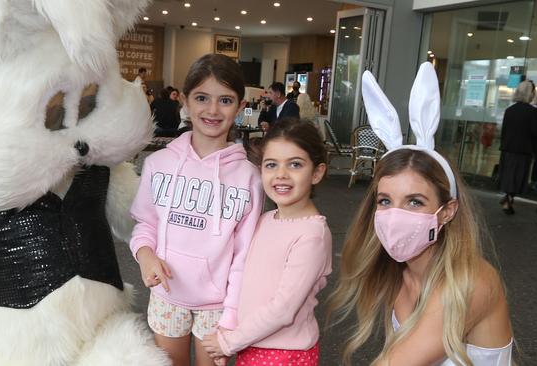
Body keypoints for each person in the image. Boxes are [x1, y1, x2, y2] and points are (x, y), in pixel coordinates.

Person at [328, 63, 513, 366]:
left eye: (415, 202)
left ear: (447, 211)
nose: (395, 215)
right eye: (385, 201)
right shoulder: (399, 272)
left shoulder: (472, 282)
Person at [129, 53, 264, 366]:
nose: (213, 110)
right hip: (166, 294)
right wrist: (145, 254)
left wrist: (232, 314)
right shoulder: (158, 164)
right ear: (184, 102)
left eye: (226, 100)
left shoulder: (250, 178)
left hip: (217, 304)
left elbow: (245, 254)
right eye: (202, 98)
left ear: (241, 107)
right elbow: (144, 225)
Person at [202, 118, 332, 366]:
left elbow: (282, 310)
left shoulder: (312, 236)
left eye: (295, 164)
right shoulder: (266, 218)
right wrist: (231, 333)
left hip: (285, 353)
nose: (281, 175)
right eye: (271, 165)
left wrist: (228, 342)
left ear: (317, 172)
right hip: (253, 344)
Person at [498, 80, 537, 214]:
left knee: (509, 175)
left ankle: (508, 199)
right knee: (518, 177)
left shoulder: (509, 110)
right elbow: (535, 132)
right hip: (523, 149)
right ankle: (508, 200)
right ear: (530, 94)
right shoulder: (531, 111)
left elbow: (504, 130)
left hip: (508, 148)